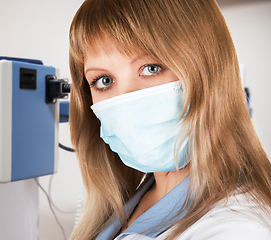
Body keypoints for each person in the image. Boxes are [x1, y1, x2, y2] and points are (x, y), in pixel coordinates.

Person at [68, 0, 271, 239]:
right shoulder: (132, 202)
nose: (126, 100)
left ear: (208, 69)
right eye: (103, 80)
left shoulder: (238, 228)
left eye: (151, 68)